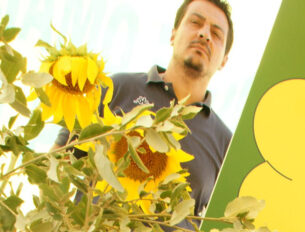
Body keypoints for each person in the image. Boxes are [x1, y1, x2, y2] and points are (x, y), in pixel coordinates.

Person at [56, 0, 234, 217]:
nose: (204, 34)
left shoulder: (226, 145)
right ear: (173, 34)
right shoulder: (117, 88)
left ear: (224, 60)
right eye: (195, 22)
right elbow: (59, 162)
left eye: (216, 34)